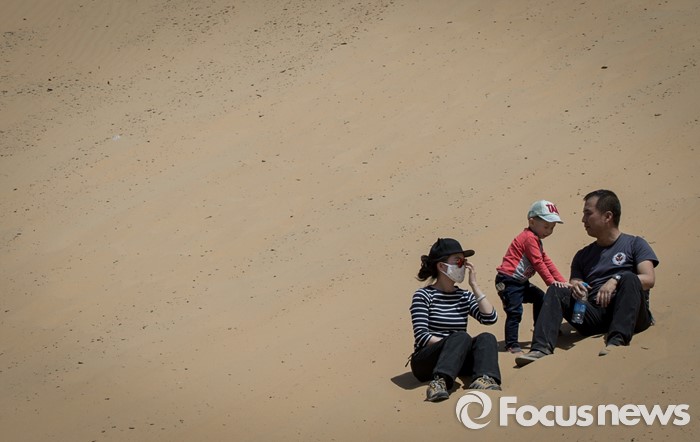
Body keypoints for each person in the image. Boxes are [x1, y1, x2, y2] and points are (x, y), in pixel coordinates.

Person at [516, 190, 659, 367]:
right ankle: (540, 348)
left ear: (607, 216)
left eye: (588, 213)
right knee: (557, 289)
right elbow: (574, 282)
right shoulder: (582, 255)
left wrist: (616, 279)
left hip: (632, 315)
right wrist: (577, 287)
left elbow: (648, 279)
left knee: (629, 277)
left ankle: (617, 341)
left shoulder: (635, 244)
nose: (583, 220)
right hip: (594, 316)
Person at [409, 238, 502, 402]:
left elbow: (490, 318)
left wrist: (474, 285)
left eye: (464, 262)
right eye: (458, 261)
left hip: (457, 358)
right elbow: (422, 336)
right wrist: (454, 344)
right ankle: (439, 383)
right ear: (441, 266)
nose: (464, 266)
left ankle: (485, 378)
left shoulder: (464, 296)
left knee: (487, 337)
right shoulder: (423, 295)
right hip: (426, 362)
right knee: (460, 337)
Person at [495, 200, 569, 354]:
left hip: (520, 282)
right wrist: (551, 282)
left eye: (552, 228)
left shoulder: (535, 240)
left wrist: (561, 281)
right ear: (532, 222)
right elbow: (538, 263)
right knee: (514, 311)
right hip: (508, 281)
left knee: (540, 298)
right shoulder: (529, 238)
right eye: (546, 227)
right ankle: (511, 344)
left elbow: (546, 261)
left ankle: (541, 329)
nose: (549, 231)